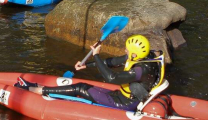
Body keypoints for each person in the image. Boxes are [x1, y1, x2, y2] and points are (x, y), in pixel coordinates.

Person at [16, 35, 165, 111]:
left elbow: (112, 78)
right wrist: (86, 65)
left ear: (134, 54)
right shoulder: (143, 56)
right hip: (124, 96)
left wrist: (96, 55)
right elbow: (111, 63)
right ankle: (39, 88)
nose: (125, 50)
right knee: (84, 86)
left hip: (126, 103)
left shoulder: (140, 70)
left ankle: (36, 90)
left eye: (127, 50)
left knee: (81, 88)